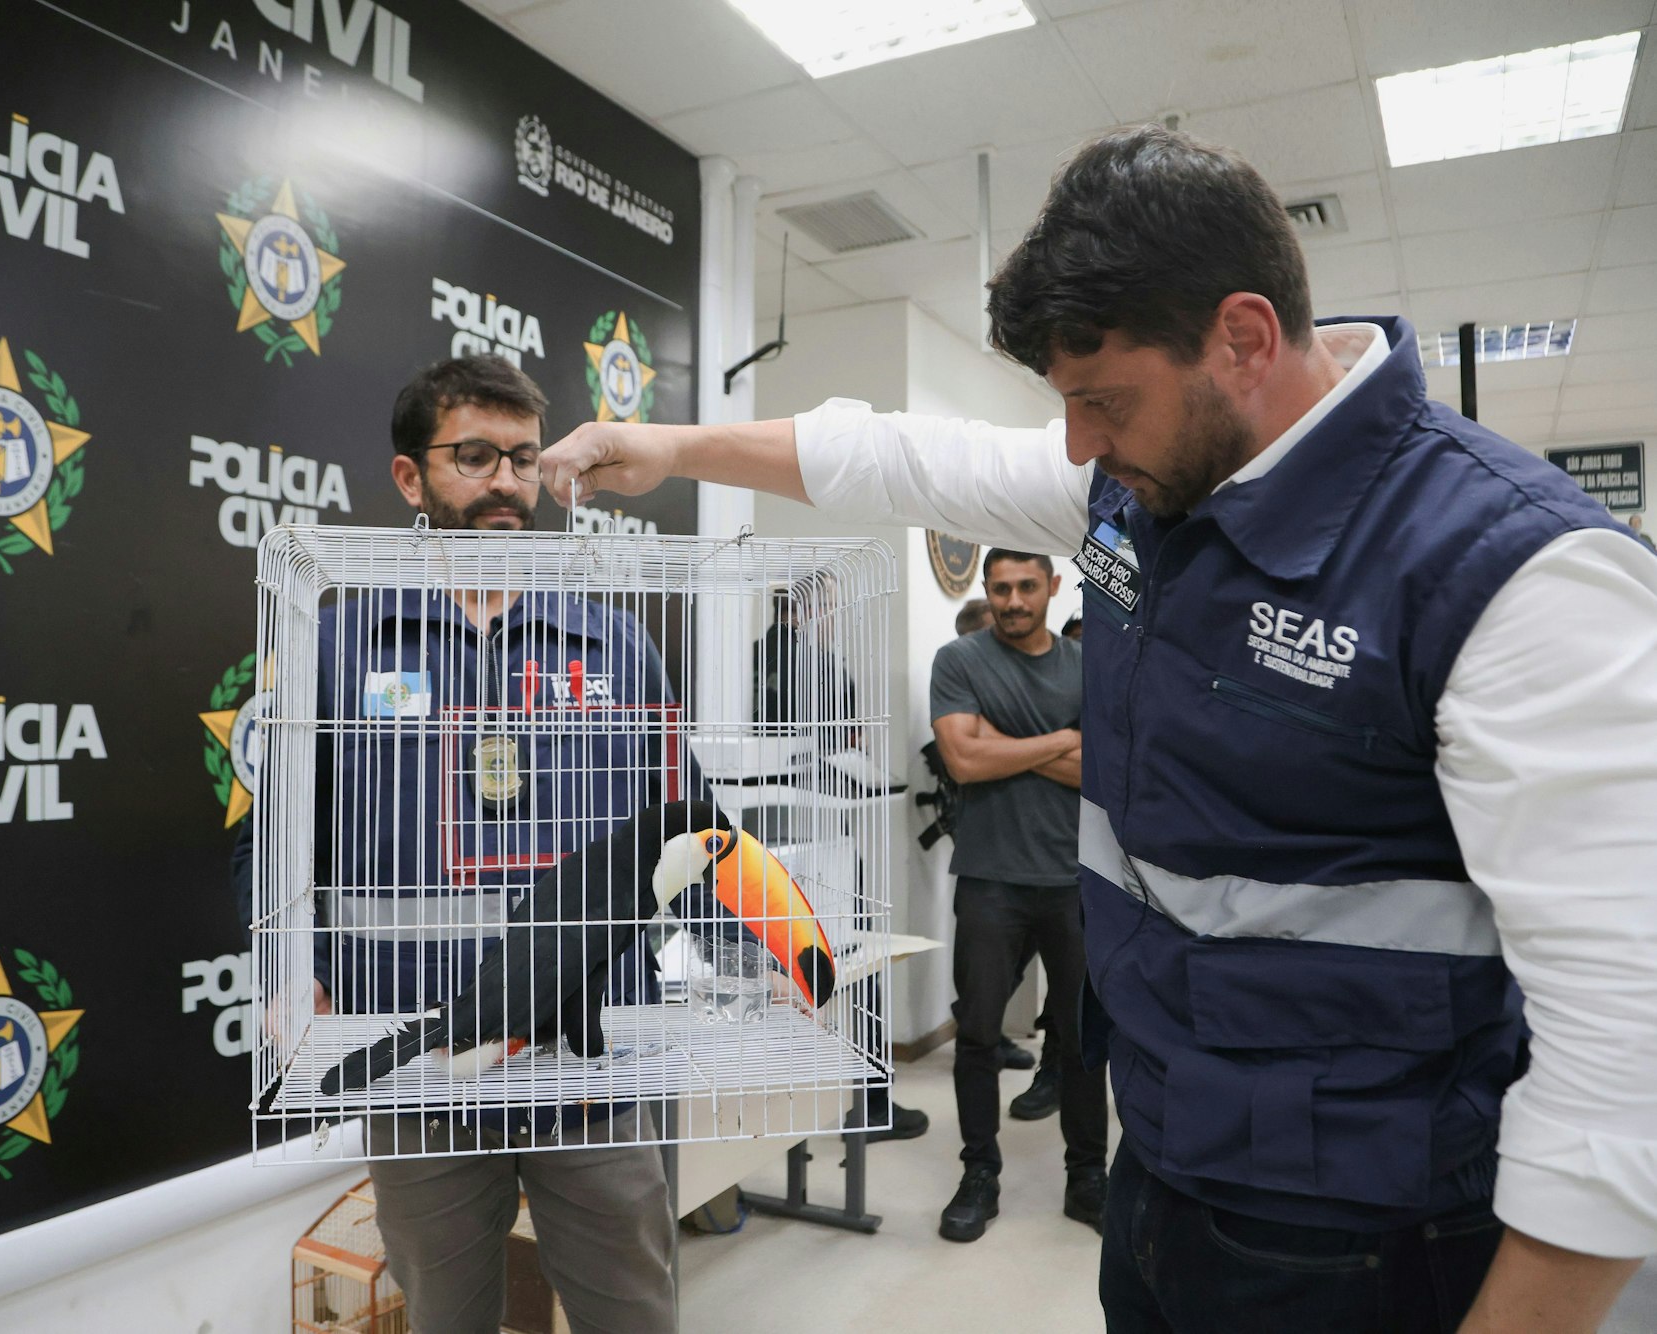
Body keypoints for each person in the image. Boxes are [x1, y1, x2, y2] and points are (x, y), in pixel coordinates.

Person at [539, 126, 1657, 1333]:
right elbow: (908, 456)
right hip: (1163, 1165)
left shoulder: (1516, 576)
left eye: (1102, 401)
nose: (1076, 441)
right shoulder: (1137, 486)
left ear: (1243, 337)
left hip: (1368, 1230)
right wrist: (667, 446)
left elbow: (1626, 1047)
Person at [235, 355, 677, 1333]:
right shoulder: (337, 646)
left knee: (633, 1308)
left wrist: (747, 957)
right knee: (448, 1312)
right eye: (474, 455)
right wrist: (284, 966)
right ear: (410, 478)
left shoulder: (613, 644)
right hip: (418, 1058)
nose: (506, 481)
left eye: (523, 457)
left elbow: (680, 827)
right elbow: (269, 840)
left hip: (591, 1056)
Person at [930, 549, 1108, 1242]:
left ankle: (1087, 1175)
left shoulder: (1085, 667)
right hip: (988, 879)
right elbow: (963, 761)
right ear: (986, 590)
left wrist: (1004, 740)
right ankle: (979, 1172)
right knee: (976, 1036)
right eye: (999, 588)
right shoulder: (959, 662)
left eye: (1026, 587)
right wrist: (1064, 737)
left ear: (1051, 587)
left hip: (1073, 879)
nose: (1011, 600)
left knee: (1084, 1041)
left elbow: (1102, 773)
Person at [752, 574, 932, 1144]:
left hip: (761, 848)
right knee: (856, 961)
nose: (836, 617)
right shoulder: (827, 670)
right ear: (807, 611)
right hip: (825, 838)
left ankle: (785, 1111)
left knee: (775, 974)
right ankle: (872, 1101)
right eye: (831, 607)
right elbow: (851, 747)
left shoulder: (748, 662)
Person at [952, 595, 1046, 1082]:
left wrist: (1016, 746)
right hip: (988, 854)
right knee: (985, 970)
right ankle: (980, 1035)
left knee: (1021, 955)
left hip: (1043, 851)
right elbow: (967, 759)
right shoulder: (961, 685)